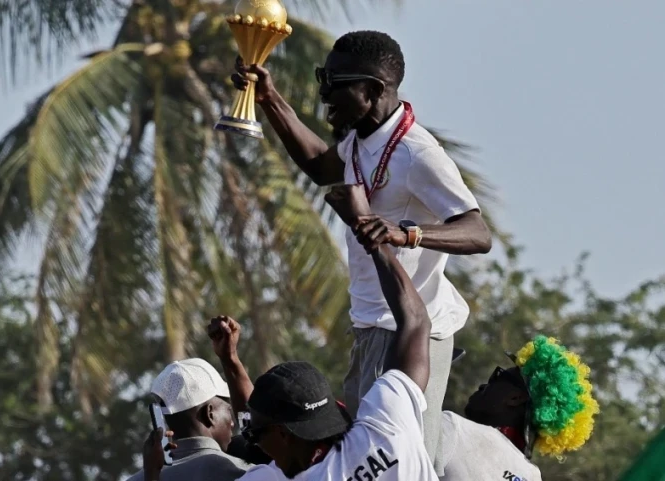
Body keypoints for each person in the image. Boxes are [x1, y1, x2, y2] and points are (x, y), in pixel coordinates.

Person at [231, 29, 492, 468]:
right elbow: (320, 166)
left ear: (371, 91)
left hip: (412, 333)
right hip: (371, 325)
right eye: (322, 78)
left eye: (334, 83)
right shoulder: (361, 140)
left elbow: (478, 232)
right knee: (361, 459)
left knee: (401, 459)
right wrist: (269, 99)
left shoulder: (417, 154)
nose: (323, 93)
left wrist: (405, 234)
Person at [225, 184, 437, 481]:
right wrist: (371, 234)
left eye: (254, 434)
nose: (253, 444)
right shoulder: (387, 421)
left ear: (283, 434)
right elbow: (416, 321)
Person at [436, 336, 599, 481]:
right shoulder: (532, 475)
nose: (483, 385)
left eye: (497, 376)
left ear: (515, 398)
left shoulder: (454, 430)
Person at [126, 358, 252, 481]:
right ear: (210, 414)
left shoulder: (144, 476)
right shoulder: (244, 473)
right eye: (229, 410)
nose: (232, 423)